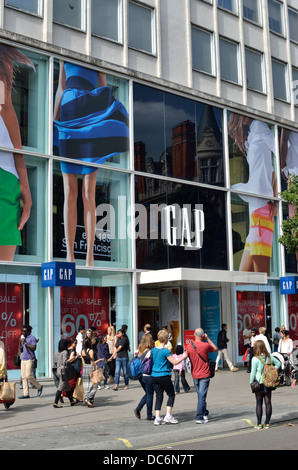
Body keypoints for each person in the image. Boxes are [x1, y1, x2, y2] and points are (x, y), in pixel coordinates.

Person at [53, 60, 129, 267]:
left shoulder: (97, 57)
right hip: (68, 114)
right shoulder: (63, 56)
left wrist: (106, 116)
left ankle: (89, 256)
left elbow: (103, 89)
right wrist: (53, 121)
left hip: (90, 114)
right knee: (70, 190)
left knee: (89, 192)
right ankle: (69, 254)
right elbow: (61, 88)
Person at [228, 114, 277, 276]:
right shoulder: (253, 133)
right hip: (255, 210)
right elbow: (265, 172)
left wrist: (275, 198)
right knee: (242, 279)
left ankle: (271, 302)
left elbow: (279, 158)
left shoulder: (261, 127)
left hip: (261, 209)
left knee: (262, 277)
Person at [0, 45, 32, 261]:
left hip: (5, 173)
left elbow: (6, 108)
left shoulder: (1, 55)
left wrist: (24, 184)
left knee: (4, 274)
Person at [182, 328, 218, 424]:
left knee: (200, 395)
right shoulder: (206, 345)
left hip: (195, 374)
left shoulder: (189, 346)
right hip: (205, 373)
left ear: (194, 334)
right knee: (202, 396)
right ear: (203, 335)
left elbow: (185, 356)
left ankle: (204, 412)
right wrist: (208, 339)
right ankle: (199, 416)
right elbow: (215, 349)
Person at [150, 329, 185, 425]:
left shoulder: (153, 350)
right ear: (165, 339)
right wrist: (183, 356)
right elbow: (174, 362)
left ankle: (157, 417)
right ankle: (168, 415)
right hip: (164, 375)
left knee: (158, 396)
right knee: (171, 394)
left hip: (154, 375)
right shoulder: (166, 351)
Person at [250, 340, 280, 429]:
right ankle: (267, 423)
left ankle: (259, 424)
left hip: (259, 383)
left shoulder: (255, 359)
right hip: (268, 382)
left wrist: (251, 383)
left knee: (259, 403)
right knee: (268, 402)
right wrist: (273, 370)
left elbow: (252, 373)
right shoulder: (269, 356)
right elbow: (279, 363)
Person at [134, 333, 155, 421]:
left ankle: (138, 409)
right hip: (148, 375)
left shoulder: (139, 350)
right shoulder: (150, 351)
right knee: (150, 394)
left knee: (147, 393)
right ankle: (149, 415)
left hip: (140, 375)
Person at [19, 325, 43, 399]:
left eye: (24, 331)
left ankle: (39, 387)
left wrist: (25, 343)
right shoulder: (24, 338)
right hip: (23, 359)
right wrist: (21, 342)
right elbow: (21, 350)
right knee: (23, 377)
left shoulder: (32, 338)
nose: (23, 332)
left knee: (28, 375)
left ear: (28, 331)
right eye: (22, 331)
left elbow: (34, 348)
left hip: (30, 359)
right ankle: (26, 394)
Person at [53, 339, 79, 408]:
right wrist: (72, 358)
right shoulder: (65, 352)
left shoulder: (57, 352)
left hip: (58, 370)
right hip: (63, 371)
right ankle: (55, 402)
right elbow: (65, 362)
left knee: (67, 387)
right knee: (61, 387)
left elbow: (55, 362)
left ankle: (71, 401)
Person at [81, 337, 98, 407]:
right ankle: (87, 398)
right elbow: (92, 361)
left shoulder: (82, 351)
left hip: (85, 367)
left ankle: (89, 401)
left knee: (86, 385)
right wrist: (94, 368)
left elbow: (83, 361)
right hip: (90, 367)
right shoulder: (91, 351)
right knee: (94, 385)